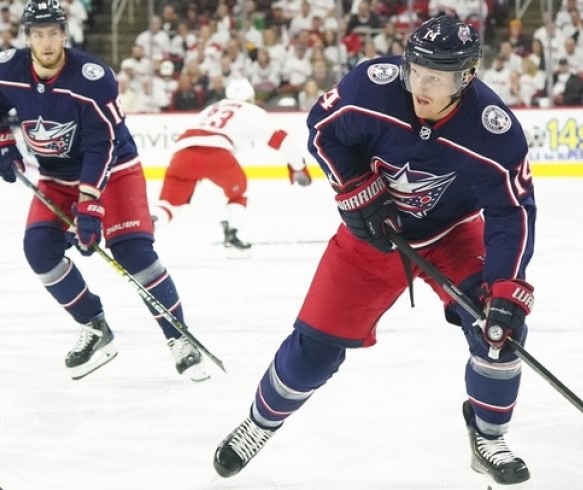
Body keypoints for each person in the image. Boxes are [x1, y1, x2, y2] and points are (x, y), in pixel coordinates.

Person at [213, 15, 536, 486]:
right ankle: (258, 424)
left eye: (436, 77)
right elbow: (322, 129)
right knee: (314, 351)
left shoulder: (494, 131)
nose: (420, 85)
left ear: (465, 78)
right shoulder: (374, 87)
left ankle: (489, 435)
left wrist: (507, 289)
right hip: (371, 239)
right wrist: (355, 187)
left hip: (451, 236)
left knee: (499, 329)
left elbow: (513, 213)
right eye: (415, 70)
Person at [0, 0, 209, 382]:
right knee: (39, 250)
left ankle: (178, 336)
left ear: (65, 35)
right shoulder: (5, 70)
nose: (47, 42)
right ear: (27, 38)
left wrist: (90, 205)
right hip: (55, 176)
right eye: (38, 34)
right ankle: (95, 327)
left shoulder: (92, 78)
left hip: (114, 171)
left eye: (53, 33)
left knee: (133, 253)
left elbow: (103, 145)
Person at [152, 77, 312, 250]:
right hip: (216, 154)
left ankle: (148, 226)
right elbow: (282, 140)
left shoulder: (212, 108)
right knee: (238, 192)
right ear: (250, 97)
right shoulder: (251, 110)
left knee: (169, 204)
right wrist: (298, 167)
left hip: (182, 152)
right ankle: (232, 232)